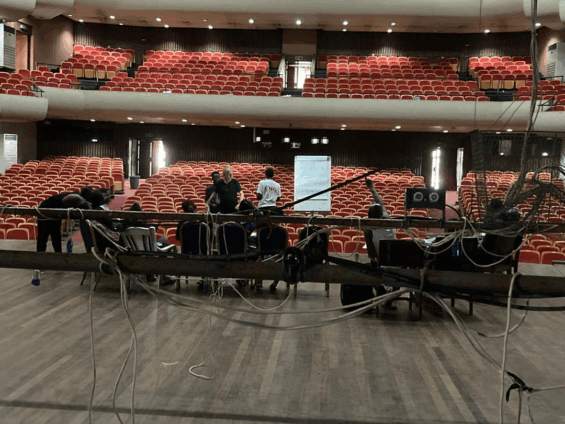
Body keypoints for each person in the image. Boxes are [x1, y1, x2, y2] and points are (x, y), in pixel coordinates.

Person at [362, 177, 397, 310]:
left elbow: (372, 254)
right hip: (394, 260)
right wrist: (372, 188)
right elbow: (380, 202)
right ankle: (388, 298)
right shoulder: (388, 220)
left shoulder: (369, 230)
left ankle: (381, 297)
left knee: (371, 268)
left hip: (380, 261)